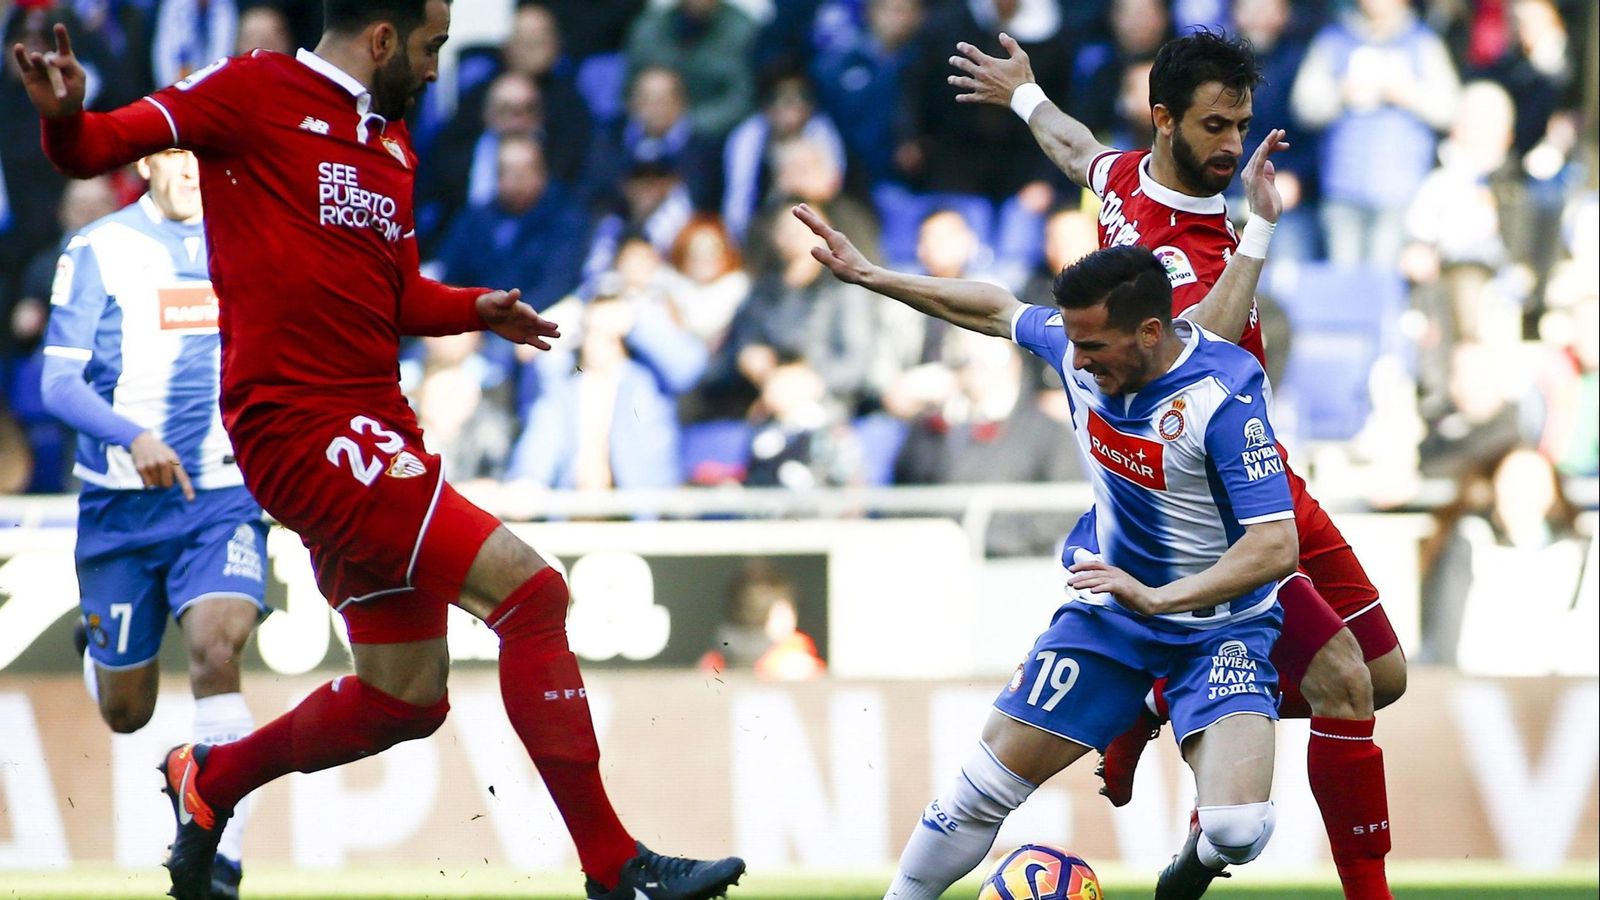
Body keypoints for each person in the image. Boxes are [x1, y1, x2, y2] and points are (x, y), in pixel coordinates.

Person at [12, 3, 746, 899]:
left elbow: (396, 295)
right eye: (434, 46)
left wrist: (474, 307)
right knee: (534, 594)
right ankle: (614, 868)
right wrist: (61, 115)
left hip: (374, 425)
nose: (441, 69)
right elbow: (95, 147)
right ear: (387, 38)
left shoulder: (390, 142)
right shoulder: (252, 90)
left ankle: (212, 779)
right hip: (299, 429)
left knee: (404, 699)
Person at [949, 29, 1403, 898]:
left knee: (1382, 676)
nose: (1233, 145)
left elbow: (1078, 149)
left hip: (1276, 484)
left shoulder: (1125, 181)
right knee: (1345, 681)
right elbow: (1204, 353)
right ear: (1165, 120)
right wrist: (1261, 230)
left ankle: (1161, 704)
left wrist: (1026, 97)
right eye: (1215, 126)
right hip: (1218, 508)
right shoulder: (1180, 255)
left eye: (1240, 123)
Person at [795, 205, 1297, 899]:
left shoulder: (1227, 398)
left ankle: (1199, 858)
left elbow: (1276, 546)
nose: (1076, 358)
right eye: (1073, 343)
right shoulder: (1078, 344)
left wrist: (1160, 596)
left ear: (1150, 333)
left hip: (1221, 627)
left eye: (1092, 347)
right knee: (980, 788)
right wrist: (874, 276)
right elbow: (996, 309)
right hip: (1111, 615)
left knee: (1239, 829)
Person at [39, 148, 265, 900]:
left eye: (207, 149)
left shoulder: (252, 234)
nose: (194, 166)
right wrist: (130, 435)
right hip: (120, 507)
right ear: (147, 159)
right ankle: (101, 657)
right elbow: (58, 382)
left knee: (215, 649)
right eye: (177, 151)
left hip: (220, 494)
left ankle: (221, 853)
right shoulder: (100, 247)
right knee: (127, 714)